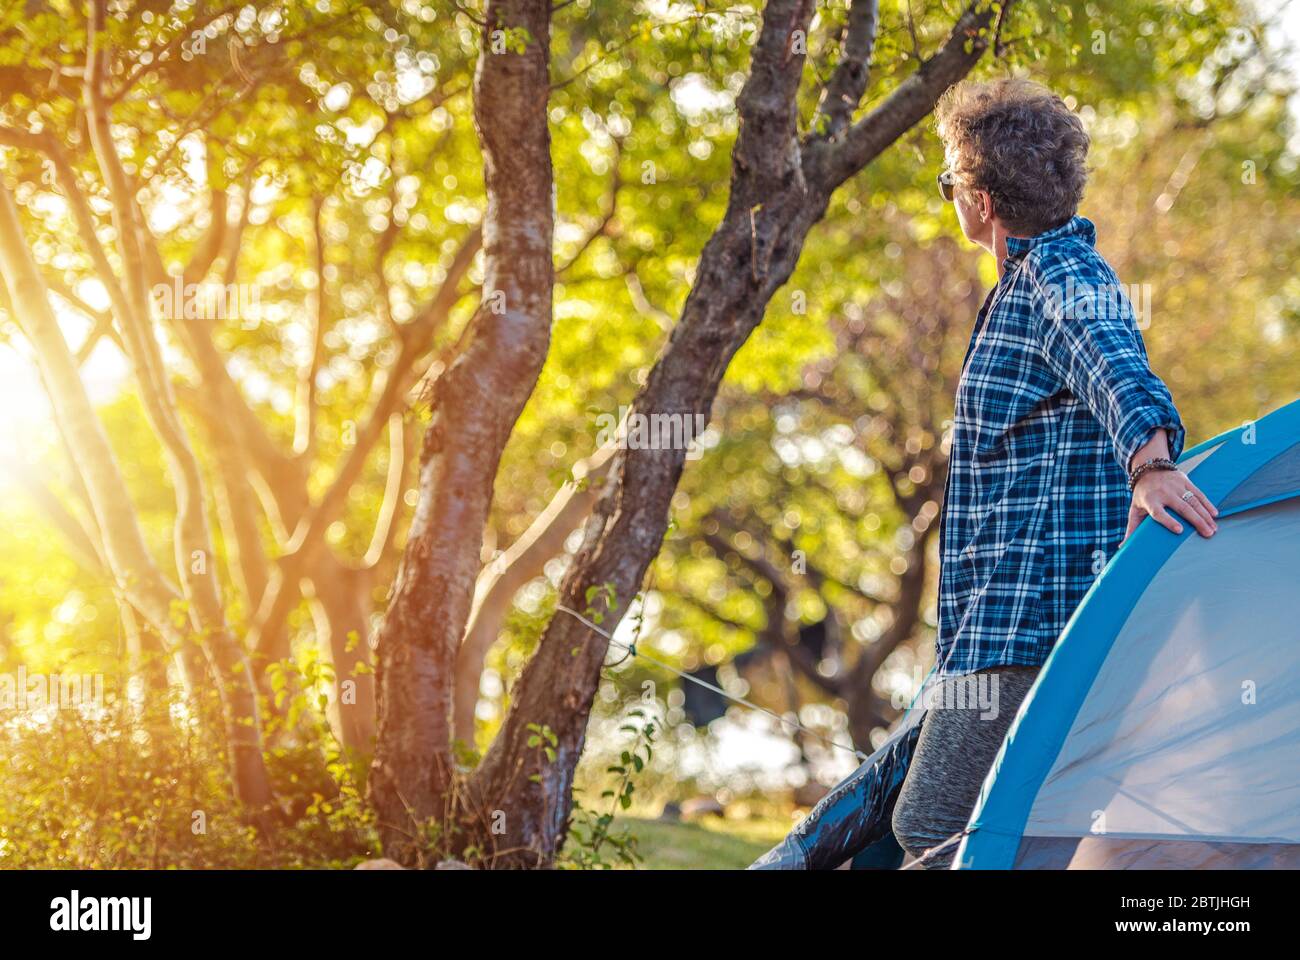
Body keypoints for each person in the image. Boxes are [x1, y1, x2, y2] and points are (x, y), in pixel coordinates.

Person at [890, 78, 1218, 869]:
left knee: (934, 822)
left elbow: (1115, 358)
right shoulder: (1026, 285)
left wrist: (1151, 461)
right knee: (961, 816)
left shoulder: (1058, 276)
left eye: (948, 182)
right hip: (991, 626)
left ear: (978, 197)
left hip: (1030, 623)